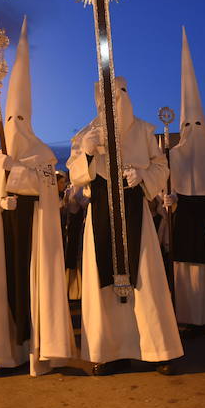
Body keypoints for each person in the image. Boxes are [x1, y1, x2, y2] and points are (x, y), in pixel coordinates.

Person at [0, 17, 74, 376]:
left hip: (34, 238)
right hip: (4, 237)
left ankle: (37, 350)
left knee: (31, 288)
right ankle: (6, 350)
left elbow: (46, 190)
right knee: (3, 287)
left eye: (20, 117)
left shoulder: (43, 154)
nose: (14, 125)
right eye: (10, 118)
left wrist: (19, 177)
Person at [67, 76, 182, 376]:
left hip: (135, 211)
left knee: (145, 277)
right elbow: (75, 176)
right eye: (107, 97)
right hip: (101, 212)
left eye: (119, 96)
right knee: (103, 279)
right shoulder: (85, 133)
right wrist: (89, 153)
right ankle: (109, 352)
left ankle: (157, 350)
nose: (114, 102)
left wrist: (143, 177)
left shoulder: (144, 131)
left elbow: (161, 166)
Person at [163, 27, 205, 334]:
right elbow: (164, 187)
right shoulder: (173, 155)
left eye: (197, 124)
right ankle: (186, 317)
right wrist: (169, 200)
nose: (192, 129)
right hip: (184, 217)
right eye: (188, 124)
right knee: (185, 270)